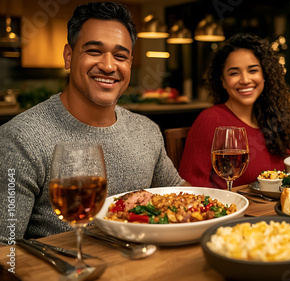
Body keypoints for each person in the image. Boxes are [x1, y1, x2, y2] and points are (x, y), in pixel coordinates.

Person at [0, 2, 187, 244]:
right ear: (69, 57)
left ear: (129, 64)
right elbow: (5, 250)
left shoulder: (147, 131)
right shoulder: (20, 138)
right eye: (94, 51)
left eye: (120, 56)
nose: (109, 66)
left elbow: (180, 194)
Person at [179, 33, 290, 188]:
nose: (245, 80)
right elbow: (191, 187)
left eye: (253, 70)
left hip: (271, 209)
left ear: (264, 74)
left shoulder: (272, 118)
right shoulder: (210, 120)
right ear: (222, 80)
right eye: (234, 73)